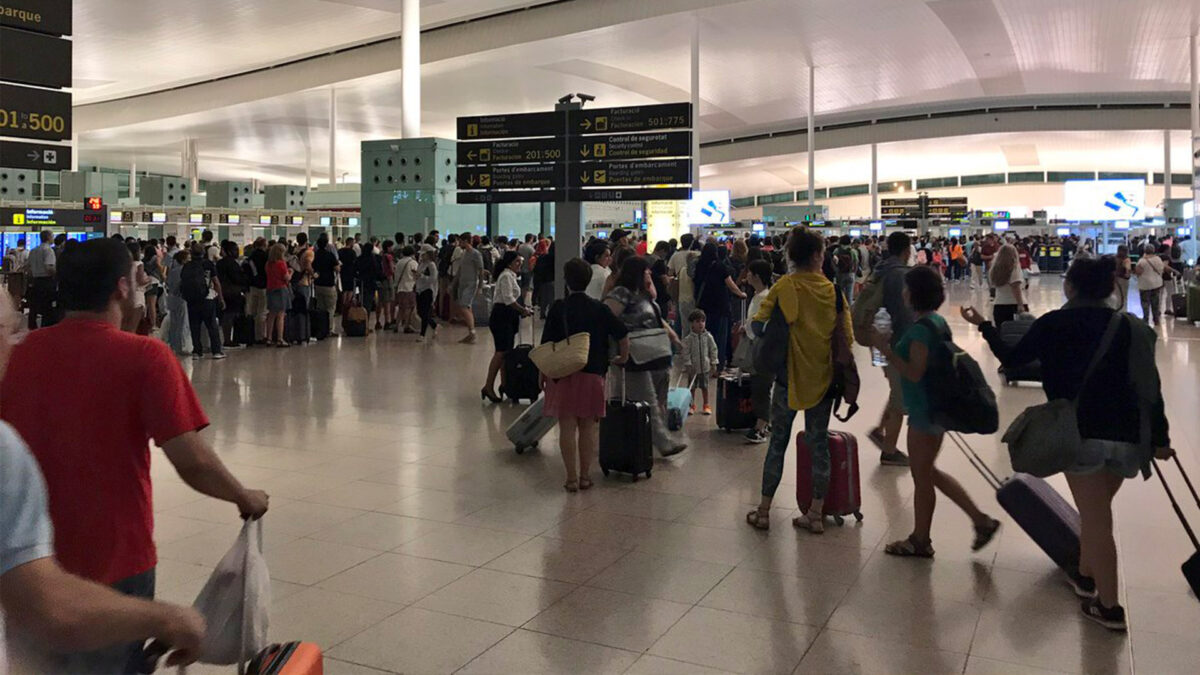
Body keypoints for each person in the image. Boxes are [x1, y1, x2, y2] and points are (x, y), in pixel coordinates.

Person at [0, 239, 268, 673]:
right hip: (116, 561)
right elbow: (192, 460)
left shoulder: (16, 353)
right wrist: (244, 497)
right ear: (123, 287)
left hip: (25, 570)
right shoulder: (145, 357)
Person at [961, 257, 1171, 630]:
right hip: (1126, 437)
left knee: (1096, 518)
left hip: (1081, 434)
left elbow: (1013, 359)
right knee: (1096, 511)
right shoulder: (1131, 328)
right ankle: (1087, 574)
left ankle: (1109, 608)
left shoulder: (1055, 323)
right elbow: (1149, 389)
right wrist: (1160, 439)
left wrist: (984, 326)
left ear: (1070, 287)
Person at [869, 265, 1000, 557]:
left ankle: (921, 539)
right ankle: (979, 520)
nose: (902, 292)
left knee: (923, 477)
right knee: (927, 472)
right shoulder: (937, 322)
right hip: (933, 408)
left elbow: (914, 373)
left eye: (906, 288)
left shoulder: (919, 331)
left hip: (924, 412)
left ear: (913, 293)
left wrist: (886, 349)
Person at [744, 229, 849, 533]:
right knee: (819, 445)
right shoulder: (834, 292)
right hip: (823, 381)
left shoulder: (784, 287)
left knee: (777, 443)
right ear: (818, 256)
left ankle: (763, 511)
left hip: (788, 379)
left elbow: (758, 326)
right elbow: (848, 338)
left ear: (790, 256)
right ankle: (815, 514)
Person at [541, 258, 630, 491]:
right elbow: (622, 333)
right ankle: (585, 476)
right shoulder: (599, 308)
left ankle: (570, 478)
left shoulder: (558, 308)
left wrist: (543, 372)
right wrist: (623, 357)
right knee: (588, 426)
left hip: (562, 373)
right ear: (589, 279)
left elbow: (546, 344)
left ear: (566, 280)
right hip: (592, 373)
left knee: (567, 426)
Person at [604, 256, 687, 458]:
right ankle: (663, 442)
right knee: (647, 397)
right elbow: (606, 318)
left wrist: (673, 337)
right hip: (632, 355)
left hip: (650, 353)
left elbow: (655, 319)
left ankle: (625, 439)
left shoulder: (641, 294)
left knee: (643, 397)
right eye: (646, 271)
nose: (649, 274)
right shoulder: (621, 293)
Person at [866, 233, 915, 467]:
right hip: (896, 343)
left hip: (878, 339)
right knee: (899, 400)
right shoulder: (901, 275)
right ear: (906, 250)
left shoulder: (880, 270)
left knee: (897, 389)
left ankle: (880, 430)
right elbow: (905, 314)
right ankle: (889, 451)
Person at [481, 252, 534, 402]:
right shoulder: (505, 276)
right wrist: (522, 310)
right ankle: (488, 386)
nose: (519, 264)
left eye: (520, 261)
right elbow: (508, 299)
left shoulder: (510, 276)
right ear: (509, 263)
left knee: (506, 353)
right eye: (517, 261)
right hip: (501, 316)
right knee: (501, 352)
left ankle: (506, 384)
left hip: (507, 316)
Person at [694, 241, 747, 370]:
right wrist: (741, 294)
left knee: (705, 335)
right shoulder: (720, 266)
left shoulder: (699, 266)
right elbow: (730, 285)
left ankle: (704, 363)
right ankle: (717, 365)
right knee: (720, 338)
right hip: (720, 305)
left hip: (703, 305)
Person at [740, 260, 773, 443]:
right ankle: (766, 421)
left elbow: (761, 323)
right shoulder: (758, 295)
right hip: (758, 346)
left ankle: (761, 425)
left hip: (762, 348)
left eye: (750, 273)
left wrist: (748, 329)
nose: (747, 276)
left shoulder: (764, 298)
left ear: (757, 276)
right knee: (761, 385)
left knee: (761, 386)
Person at [180, 243, 225, 360]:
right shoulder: (208, 264)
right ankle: (216, 351)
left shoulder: (187, 266)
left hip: (192, 299)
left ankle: (197, 351)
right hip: (208, 298)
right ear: (203, 253)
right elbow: (216, 283)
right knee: (211, 325)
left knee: (194, 326)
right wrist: (221, 298)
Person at [680, 309, 718, 416]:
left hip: (705, 367)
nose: (701, 324)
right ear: (692, 323)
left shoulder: (708, 337)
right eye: (697, 321)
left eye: (702, 321)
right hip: (693, 368)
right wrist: (688, 364)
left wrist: (714, 363)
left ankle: (706, 405)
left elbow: (713, 349)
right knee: (692, 388)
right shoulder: (688, 339)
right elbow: (685, 352)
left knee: (705, 387)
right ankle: (691, 405)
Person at [215, 241, 248, 348]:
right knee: (231, 315)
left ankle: (227, 338)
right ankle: (230, 339)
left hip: (223, 291)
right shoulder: (233, 264)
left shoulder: (220, 263)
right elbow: (238, 278)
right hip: (233, 292)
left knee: (226, 316)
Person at [668, 234, 700, 333]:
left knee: (681, 320)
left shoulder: (675, 256)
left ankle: (680, 341)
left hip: (680, 291)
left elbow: (670, 273)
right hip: (694, 291)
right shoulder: (697, 254)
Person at [989, 243, 1026, 328]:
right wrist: (1020, 304)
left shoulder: (994, 269)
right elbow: (1015, 287)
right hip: (1013, 305)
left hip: (998, 304)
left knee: (1001, 332)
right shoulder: (1014, 267)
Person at [25, 230, 56, 329]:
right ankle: (45, 327)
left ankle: (32, 327)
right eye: (52, 236)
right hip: (46, 281)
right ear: (48, 238)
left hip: (35, 281)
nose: (53, 239)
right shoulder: (48, 250)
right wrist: (57, 274)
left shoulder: (33, 250)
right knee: (47, 306)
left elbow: (28, 268)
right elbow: (48, 267)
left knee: (34, 307)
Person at [265, 242, 292, 347]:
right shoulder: (281, 263)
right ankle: (280, 339)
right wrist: (291, 272)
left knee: (271, 314)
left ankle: (269, 338)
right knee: (281, 315)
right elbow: (287, 278)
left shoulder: (268, 264)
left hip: (270, 289)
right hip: (280, 289)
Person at [1133, 243, 1167, 326]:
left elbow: (1138, 272)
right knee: (1155, 302)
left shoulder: (1142, 261)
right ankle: (1156, 319)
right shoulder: (1158, 259)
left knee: (1145, 302)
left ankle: (1146, 319)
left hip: (1144, 285)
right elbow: (1162, 269)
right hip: (1156, 284)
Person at [312, 233, 340, 333]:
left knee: (320, 307)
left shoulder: (314, 255)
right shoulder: (330, 255)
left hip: (318, 284)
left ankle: (321, 328)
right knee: (330, 308)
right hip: (329, 284)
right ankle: (329, 329)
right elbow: (337, 268)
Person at [244, 238, 269, 344]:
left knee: (252, 312)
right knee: (262, 312)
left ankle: (250, 335)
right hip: (263, 286)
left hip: (252, 286)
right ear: (264, 245)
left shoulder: (250, 257)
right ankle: (261, 336)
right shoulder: (266, 257)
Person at [123, 242, 151, 334]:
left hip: (127, 294)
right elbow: (140, 280)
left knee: (126, 325)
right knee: (133, 327)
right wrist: (149, 279)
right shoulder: (139, 264)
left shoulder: (124, 264)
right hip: (138, 294)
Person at [356, 240, 384, 331]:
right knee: (371, 303)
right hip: (372, 283)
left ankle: (363, 324)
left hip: (362, 283)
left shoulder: (359, 259)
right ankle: (367, 325)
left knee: (364, 303)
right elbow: (378, 271)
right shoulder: (374, 258)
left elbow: (355, 270)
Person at [415, 248, 440, 342]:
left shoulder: (431, 265)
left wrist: (422, 276)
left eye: (423, 254)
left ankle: (422, 334)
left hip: (428, 290)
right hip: (419, 290)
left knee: (425, 312)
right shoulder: (421, 264)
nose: (422, 256)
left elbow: (433, 279)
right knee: (420, 312)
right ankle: (434, 325)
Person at [394, 245, 419, 333]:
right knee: (409, 308)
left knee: (401, 308)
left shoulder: (399, 262)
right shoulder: (413, 263)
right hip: (409, 288)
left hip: (400, 288)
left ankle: (396, 325)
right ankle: (406, 326)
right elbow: (417, 274)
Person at [533, 240, 555, 319]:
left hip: (542, 280)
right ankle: (551, 314)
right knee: (551, 298)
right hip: (552, 279)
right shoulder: (555, 259)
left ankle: (542, 313)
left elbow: (536, 268)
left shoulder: (542, 257)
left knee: (543, 298)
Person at [338, 237, 359, 312]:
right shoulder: (352, 252)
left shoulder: (340, 251)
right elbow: (355, 263)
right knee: (350, 290)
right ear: (350, 243)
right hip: (351, 273)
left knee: (344, 290)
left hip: (342, 273)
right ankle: (348, 306)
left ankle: (343, 306)